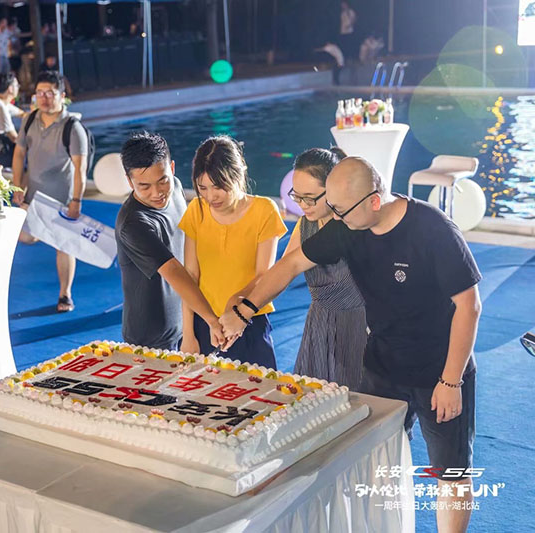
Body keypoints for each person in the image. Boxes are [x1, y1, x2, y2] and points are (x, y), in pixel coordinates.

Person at [221, 156, 481, 533]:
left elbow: (469, 306)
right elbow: (291, 265)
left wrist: (451, 380)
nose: (336, 218)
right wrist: (245, 310)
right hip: (382, 367)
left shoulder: (432, 228)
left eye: (341, 210)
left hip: (439, 370)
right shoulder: (348, 226)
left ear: (374, 200)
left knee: (451, 473)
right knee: (376, 460)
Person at [179, 136, 286, 368]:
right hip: (204, 323)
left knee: (261, 388)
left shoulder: (265, 211)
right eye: (203, 188)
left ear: (238, 175)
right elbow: (190, 277)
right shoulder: (196, 210)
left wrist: (234, 305)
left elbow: (264, 275)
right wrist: (188, 334)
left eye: (219, 187)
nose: (211, 197)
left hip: (249, 319)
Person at [116, 131, 226, 351]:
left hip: (187, 316)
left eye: (162, 181)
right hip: (150, 337)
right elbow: (174, 271)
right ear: (129, 181)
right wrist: (212, 320)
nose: (157, 193)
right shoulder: (134, 223)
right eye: (144, 186)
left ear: (172, 168)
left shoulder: (175, 187)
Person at [282, 147, 366, 390]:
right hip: (319, 324)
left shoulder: (355, 225)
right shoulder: (305, 224)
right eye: (297, 197)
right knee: (312, 399)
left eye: (309, 198)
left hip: (357, 326)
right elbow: (283, 270)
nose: (303, 205)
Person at [12, 70, 89, 312]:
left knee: (64, 246)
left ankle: (65, 294)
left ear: (62, 96)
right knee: (25, 237)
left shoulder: (73, 127)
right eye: (40, 93)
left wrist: (76, 201)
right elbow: (19, 153)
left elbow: (80, 168)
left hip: (62, 199)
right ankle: (42, 231)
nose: (44, 98)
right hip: (33, 197)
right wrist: (17, 185)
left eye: (50, 93)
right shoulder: (30, 119)